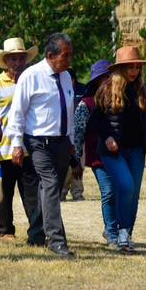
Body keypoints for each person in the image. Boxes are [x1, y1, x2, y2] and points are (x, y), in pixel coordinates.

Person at [88, 47, 146, 254]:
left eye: (137, 67)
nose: (134, 71)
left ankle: (126, 234)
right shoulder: (106, 88)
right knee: (126, 186)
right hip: (113, 151)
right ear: (120, 68)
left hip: (137, 149)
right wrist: (107, 137)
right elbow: (95, 119)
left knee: (133, 194)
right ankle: (118, 232)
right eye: (129, 67)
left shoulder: (141, 89)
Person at [6, 33, 77, 259]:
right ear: (50, 56)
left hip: (62, 142)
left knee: (48, 190)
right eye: (65, 56)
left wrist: (72, 142)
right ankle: (57, 241)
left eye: (71, 55)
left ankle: (37, 233)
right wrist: (16, 144)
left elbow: (69, 111)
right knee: (51, 184)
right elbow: (18, 111)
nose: (69, 60)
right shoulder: (31, 76)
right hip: (38, 142)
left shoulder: (66, 77)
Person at [0, 37, 44, 246]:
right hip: (3, 149)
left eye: (21, 59)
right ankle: (5, 230)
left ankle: (36, 232)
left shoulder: (33, 80)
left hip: (28, 148)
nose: (18, 63)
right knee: (4, 194)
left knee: (32, 194)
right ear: (6, 61)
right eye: (14, 59)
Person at [74, 59, 117, 245]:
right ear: (96, 81)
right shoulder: (86, 104)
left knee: (121, 191)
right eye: (103, 78)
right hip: (98, 156)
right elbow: (78, 133)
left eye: (110, 77)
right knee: (108, 191)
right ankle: (111, 230)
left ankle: (120, 228)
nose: (107, 81)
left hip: (121, 154)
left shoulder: (121, 100)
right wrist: (76, 160)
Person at [61, 68, 87, 201]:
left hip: (80, 134)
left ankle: (77, 193)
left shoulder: (83, 90)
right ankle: (62, 192)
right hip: (64, 135)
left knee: (79, 165)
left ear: (73, 80)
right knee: (65, 165)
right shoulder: (58, 90)